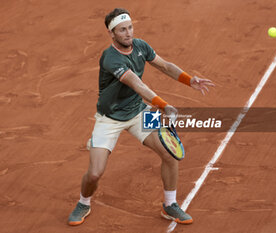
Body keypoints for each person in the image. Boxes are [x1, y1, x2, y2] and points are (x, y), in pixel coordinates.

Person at [68, 8, 214, 226]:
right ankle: (83, 202)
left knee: (170, 154)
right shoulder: (110, 58)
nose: (128, 33)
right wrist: (163, 105)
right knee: (95, 173)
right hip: (109, 119)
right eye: (122, 30)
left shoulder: (141, 46)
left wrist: (189, 79)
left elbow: (164, 65)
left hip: (139, 112)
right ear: (112, 34)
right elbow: (137, 84)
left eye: (130, 28)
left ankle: (169, 204)